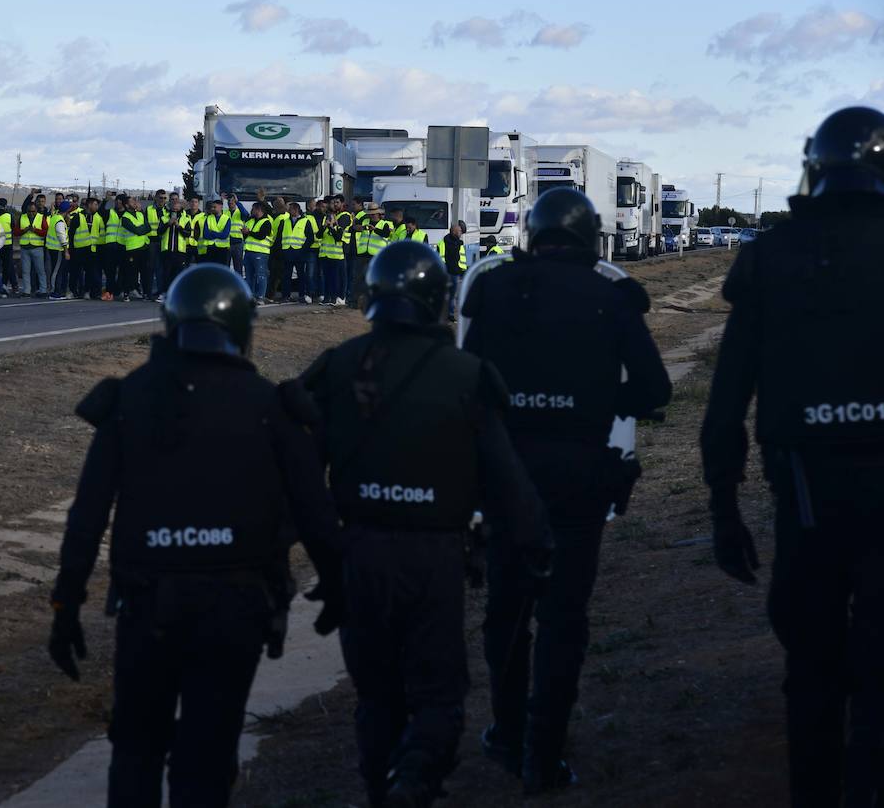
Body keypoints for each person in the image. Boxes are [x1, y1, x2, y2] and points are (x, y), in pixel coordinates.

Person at [48, 264, 345, 808]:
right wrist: (337, 585)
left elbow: (87, 516)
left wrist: (67, 603)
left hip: (148, 601)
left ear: (170, 323)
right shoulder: (269, 404)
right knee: (208, 755)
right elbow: (315, 511)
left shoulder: (129, 397)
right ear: (243, 327)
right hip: (235, 604)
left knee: (136, 747)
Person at [301, 240, 552, 807]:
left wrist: (326, 554)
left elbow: (299, 471)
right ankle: (415, 776)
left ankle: (382, 787)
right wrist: (535, 546)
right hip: (434, 557)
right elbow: (506, 479)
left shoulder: (339, 366)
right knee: (439, 692)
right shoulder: (467, 374)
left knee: (376, 696)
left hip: (360, 553)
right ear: (441, 300)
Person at [700, 106, 884, 808]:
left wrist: (723, 509)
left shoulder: (771, 256)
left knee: (811, 675)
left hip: (807, 498)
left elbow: (724, 409)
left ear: (817, 165)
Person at [462, 187, 671, 795]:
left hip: (507, 476)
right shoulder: (611, 295)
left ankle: (505, 733)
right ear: (591, 237)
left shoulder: (494, 289)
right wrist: (600, 406)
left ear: (531, 232)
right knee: (563, 621)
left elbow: (471, 382)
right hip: (580, 476)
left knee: (507, 611)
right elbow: (655, 388)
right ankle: (544, 757)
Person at [280, 201, 316, 304]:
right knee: (286, 275)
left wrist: (303, 249)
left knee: (301, 275)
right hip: (288, 251)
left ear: (296, 210)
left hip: (299, 252)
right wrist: (283, 250)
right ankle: (285, 295)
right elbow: (281, 236)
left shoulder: (305, 221)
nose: (288, 211)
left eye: (290, 209)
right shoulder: (285, 221)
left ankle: (301, 295)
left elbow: (310, 238)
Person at [317, 197, 350, 306]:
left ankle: (335, 298)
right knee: (326, 277)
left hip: (337, 254)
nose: (335, 204)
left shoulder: (343, 219)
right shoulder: (326, 219)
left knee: (336, 278)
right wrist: (325, 226)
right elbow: (318, 235)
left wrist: (332, 226)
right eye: (333, 203)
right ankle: (326, 298)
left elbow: (338, 237)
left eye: (337, 202)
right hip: (325, 253)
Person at [156, 193, 190, 298]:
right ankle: (165, 293)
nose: (175, 208)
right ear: (170, 206)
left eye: (177, 206)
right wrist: (168, 224)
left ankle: (176, 294)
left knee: (178, 274)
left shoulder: (186, 219)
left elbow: (188, 233)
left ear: (181, 207)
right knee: (166, 273)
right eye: (173, 206)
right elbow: (159, 232)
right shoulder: (164, 217)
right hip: (167, 250)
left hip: (180, 251)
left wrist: (179, 226)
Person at [120, 195, 153, 301]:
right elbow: (137, 231)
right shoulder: (125, 217)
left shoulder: (140, 214)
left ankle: (146, 294)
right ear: (126, 205)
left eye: (135, 201)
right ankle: (126, 293)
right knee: (130, 272)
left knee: (145, 272)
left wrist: (141, 229)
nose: (135, 202)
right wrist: (142, 229)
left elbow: (149, 227)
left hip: (144, 247)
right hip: (132, 248)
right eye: (132, 201)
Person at [71, 197, 103, 300]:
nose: (96, 207)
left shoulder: (98, 217)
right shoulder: (78, 216)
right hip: (79, 249)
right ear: (89, 205)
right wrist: (70, 249)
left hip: (92, 250)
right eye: (95, 204)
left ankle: (87, 291)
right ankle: (73, 291)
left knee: (90, 272)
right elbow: (71, 233)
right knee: (75, 272)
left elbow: (101, 233)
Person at [242, 201, 273, 304]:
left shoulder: (266, 222)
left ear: (259, 209)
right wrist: (245, 232)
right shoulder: (250, 221)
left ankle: (260, 296)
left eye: (254, 209)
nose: (252, 211)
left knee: (261, 275)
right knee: (249, 275)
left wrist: (249, 232)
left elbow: (261, 235)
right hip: (249, 251)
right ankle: (250, 296)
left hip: (261, 252)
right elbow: (245, 235)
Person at [435, 223, 467, 321]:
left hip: (454, 273)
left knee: (451, 295)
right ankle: (445, 314)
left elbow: (461, 258)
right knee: (447, 294)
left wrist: (462, 270)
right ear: (454, 232)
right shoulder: (442, 243)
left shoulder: (459, 243)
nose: (461, 233)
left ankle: (449, 314)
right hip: (446, 272)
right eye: (459, 231)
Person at [17, 197, 49, 298]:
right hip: (25, 248)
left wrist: (35, 231)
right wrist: (24, 230)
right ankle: (27, 291)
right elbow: (15, 231)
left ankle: (43, 290)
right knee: (26, 271)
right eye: (29, 211)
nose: (31, 213)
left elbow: (45, 232)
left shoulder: (41, 217)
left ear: (36, 210)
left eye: (33, 211)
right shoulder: (22, 217)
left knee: (40, 270)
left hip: (37, 248)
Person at [48, 201, 73, 299]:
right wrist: (66, 251)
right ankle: (55, 292)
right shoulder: (60, 221)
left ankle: (56, 290)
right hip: (58, 249)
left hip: (53, 248)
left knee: (56, 270)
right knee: (57, 271)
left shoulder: (55, 217)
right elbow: (62, 237)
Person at [201, 198, 233, 268]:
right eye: (212, 207)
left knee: (222, 270)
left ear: (221, 207)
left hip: (222, 249)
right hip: (210, 248)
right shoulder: (208, 218)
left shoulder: (227, 218)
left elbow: (225, 235)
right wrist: (218, 234)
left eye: (214, 207)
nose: (212, 209)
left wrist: (212, 232)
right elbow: (205, 235)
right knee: (211, 270)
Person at [227, 193, 246, 278]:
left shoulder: (240, 212)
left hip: (238, 243)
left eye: (232, 201)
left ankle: (239, 287)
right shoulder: (225, 212)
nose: (230, 203)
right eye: (229, 202)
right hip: (227, 243)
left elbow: (246, 214)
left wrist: (238, 202)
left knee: (238, 268)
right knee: (225, 267)